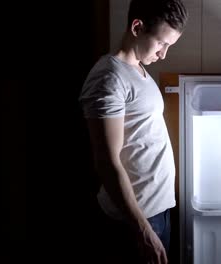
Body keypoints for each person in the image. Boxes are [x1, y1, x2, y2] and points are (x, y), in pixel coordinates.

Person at [78, 0, 188, 263]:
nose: (164, 54)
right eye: (161, 43)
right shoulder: (109, 78)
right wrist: (142, 229)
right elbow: (107, 162)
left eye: (169, 46)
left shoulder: (139, 70)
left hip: (157, 211)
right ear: (137, 27)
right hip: (135, 220)